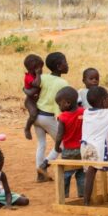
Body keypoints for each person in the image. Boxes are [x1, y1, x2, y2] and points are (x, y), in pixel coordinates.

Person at [30, 52, 69, 182]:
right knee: (62, 144)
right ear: (59, 66)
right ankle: (44, 165)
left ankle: (40, 175)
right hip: (48, 117)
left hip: (36, 116)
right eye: (65, 62)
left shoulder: (43, 77)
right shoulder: (63, 83)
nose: (67, 65)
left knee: (41, 144)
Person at [54, 87, 85, 198]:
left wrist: (56, 147)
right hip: (82, 149)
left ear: (67, 103)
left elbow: (59, 135)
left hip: (68, 150)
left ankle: (64, 194)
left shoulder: (63, 117)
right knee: (81, 172)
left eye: (59, 104)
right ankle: (82, 193)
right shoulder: (83, 112)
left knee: (66, 173)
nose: (59, 107)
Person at [22, 54, 43, 140]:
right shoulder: (28, 77)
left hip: (38, 100)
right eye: (39, 68)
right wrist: (38, 74)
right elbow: (37, 84)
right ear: (33, 68)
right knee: (33, 114)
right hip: (30, 101)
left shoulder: (36, 76)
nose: (41, 70)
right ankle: (27, 128)